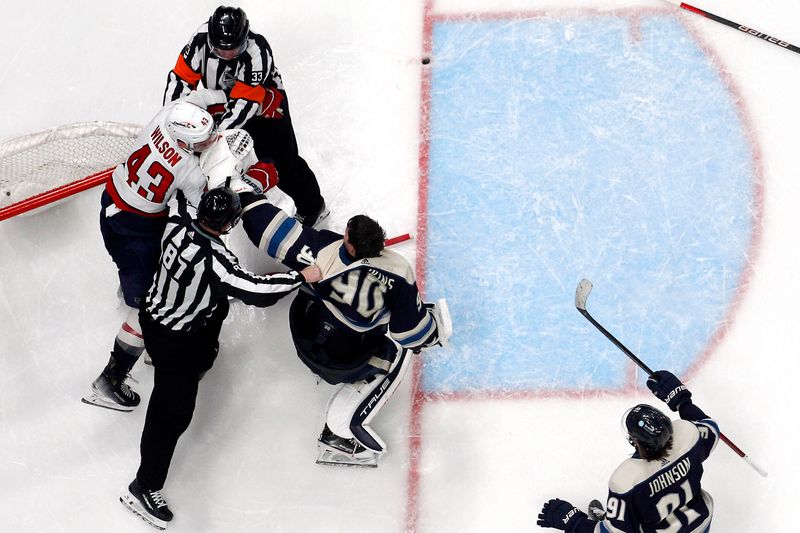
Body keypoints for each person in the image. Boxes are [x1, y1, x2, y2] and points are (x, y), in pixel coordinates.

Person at [120, 187, 321, 530]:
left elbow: (179, 197)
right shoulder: (216, 260)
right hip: (174, 342)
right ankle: (144, 486)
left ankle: (194, 361)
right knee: (171, 414)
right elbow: (256, 291)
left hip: (154, 316)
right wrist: (300, 276)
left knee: (218, 308)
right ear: (228, 224)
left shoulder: (177, 222)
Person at [83, 95, 277, 412]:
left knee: (137, 269)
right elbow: (210, 209)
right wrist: (253, 180)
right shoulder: (188, 169)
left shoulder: (165, 116)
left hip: (112, 202)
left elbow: (195, 107)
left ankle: (131, 286)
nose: (213, 139)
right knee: (150, 305)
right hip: (137, 230)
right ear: (186, 144)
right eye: (203, 141)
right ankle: (110, 379)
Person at [238, 194, 452, 467]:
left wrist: (245, 198)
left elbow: (268, 230)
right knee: (401, 353)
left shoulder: (320, 249)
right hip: (342, 360)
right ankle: (342, 431)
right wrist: (432, 331)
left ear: (349, 245)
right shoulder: (398, 271)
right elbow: (412, 335)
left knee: (309, 290)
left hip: (304, 333)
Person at [163, 5, 328, 227]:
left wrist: (212, 139)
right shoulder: (200, 40)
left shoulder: (257, 51)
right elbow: (180, 79)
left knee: (284, 162)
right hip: (223, 100)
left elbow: (244, 105)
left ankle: (313, 207)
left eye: (233, 49)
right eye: (221, 50)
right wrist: (172, 119)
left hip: (266, 107)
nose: (227, 54)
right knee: (233, 157)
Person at [536, 371, 720, 533]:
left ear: (636, 441)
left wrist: (573, 522)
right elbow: (710, 426)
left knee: (624, 525)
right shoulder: (689, 435)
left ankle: (619, 517)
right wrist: (681, 399)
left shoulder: (627, 480)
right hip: (700, 523)